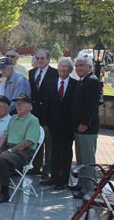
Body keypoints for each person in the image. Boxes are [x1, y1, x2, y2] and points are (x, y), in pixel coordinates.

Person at [41, 58, 77, 190]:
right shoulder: (50, 84)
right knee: (54, 152)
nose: (62, 69)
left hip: (68, 126)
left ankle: (64, 180)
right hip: (53, 125)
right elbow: (47, 105)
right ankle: (54, 177)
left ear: (70, 70)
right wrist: (45, 124)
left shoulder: (75, 84)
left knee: (66, 153)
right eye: (60, 66)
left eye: (65, 67)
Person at [69, 56, 102, 199]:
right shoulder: (83, 81)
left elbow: (91, 106)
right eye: (76, 66)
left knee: (88, 160)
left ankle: (90, 189)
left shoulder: (92, 81)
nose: (78, 68)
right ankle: (81, 183)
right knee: (81, 159)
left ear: (89, 67)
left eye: (81, 65)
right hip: (79, 128)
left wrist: (84, 123)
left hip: (86, 128)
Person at [29, 49, 58, 179]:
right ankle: (36, 166)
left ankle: (48, 169)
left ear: (48, 59)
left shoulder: (55, 73)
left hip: (49, 113)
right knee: (36, 140)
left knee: (49, 142)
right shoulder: (32, 73)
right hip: (35, 114)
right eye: (37, 58)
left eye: (42, 58)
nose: (39, 61)